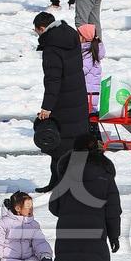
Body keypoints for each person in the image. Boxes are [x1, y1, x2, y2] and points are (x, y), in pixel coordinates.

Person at [49, 134, 122, 261]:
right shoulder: (104, 173)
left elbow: (54, 207)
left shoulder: (67, 171)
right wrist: (114, 236)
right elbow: (112, 210)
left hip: (67, 233)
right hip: (95, 234)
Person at [33, 13, 86, 193]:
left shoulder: (51, 48)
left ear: (41, 29)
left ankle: (63, 185)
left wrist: (47, 107)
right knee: (68, 145)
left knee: (60, 146)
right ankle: (57, 183)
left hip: (63, 102)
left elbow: (53, 80)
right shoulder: (69, 34)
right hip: (77, 98)